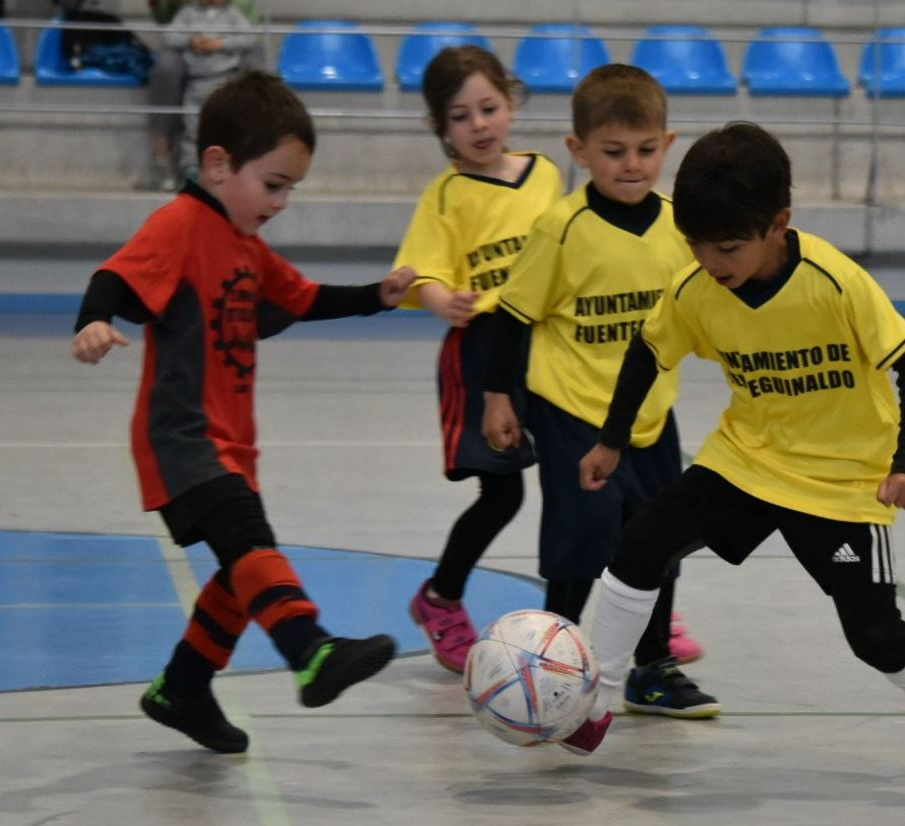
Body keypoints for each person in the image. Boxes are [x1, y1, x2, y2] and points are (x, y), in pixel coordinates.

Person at [561, 122, 905, 780]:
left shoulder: (835, 282)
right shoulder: (696, 288)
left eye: (728, 248)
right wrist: (610, 441)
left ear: (778, 224)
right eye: (695, 245)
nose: (711, 262)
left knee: (874, 635)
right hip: (747, 459)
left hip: (840, 481)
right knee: (640, 544)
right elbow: (648, 351)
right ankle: (595, 704)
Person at [70, 70, 415, 754]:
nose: (281, 202)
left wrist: (376, 295)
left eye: (291, 189)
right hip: (183, 437)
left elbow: (301, 299)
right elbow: (114, 274)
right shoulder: (180, 224)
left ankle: (182, 689)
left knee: (239, 574)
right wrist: (93, 321)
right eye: (274, 184)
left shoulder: (248, 248)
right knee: (252, 548)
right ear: (219, 164)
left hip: (230, 443)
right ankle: (310, 649)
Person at [482, 64, 713, 719]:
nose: (631, 165)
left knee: (658, 538)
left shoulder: (680, 228)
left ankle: (652, 669)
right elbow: (513, 315)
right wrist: (497, 397)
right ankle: (549, 660)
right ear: (578, 150)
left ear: (668, 146)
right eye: (613, 152)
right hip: (571, 412)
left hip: (649, 416)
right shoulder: (561, 228)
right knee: (581, 539)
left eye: (645, 150)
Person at [396, 45, 563, 674]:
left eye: (489, 108)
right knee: (502, 495)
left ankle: (644, 603)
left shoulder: (545, 174)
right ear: (441, 127)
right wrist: (443, 299)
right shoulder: (447, 195)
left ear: (511, 102)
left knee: (588, 483)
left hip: (550, 347)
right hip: (482, 352)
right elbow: (423, 271)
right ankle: (440, 597)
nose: (480, 125)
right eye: (461, 117)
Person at [147, 0, 259, 189]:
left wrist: (220, 44)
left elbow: (250, 38)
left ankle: (226, 170)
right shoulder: (187, 13)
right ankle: (190, 168)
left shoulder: (233, 14)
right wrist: (190, 40)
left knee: (224, 128)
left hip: (224, 80)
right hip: (197, 82)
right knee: (192, 128)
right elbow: (168, 36)